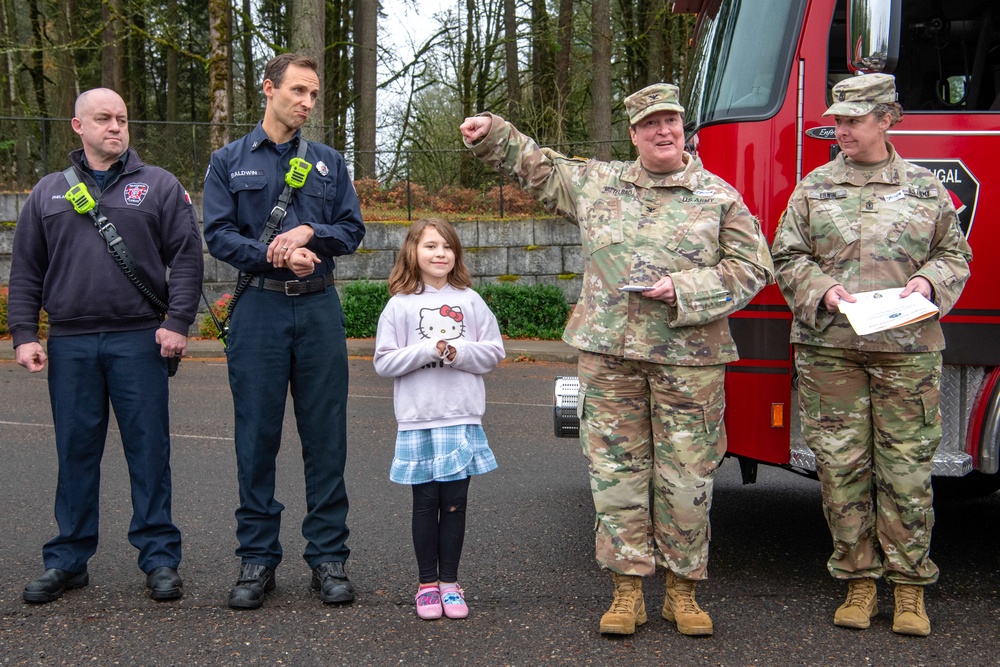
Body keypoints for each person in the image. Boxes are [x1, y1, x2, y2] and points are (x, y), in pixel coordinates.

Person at [460, 83, 773, 636]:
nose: (663, 131)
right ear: (633, 135)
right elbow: (540, 166)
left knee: (687, 478)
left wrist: (683, 287)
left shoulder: (717, 195)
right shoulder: (599, 184)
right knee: (614, 475)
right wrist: (494, 134)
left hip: (688, 360)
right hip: (610, 357)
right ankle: (626, 590)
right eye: (650, 124)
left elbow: (753, 269)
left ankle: (683, 591)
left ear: (683, 129)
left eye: (671, 121)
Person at [770, 73, 972, 637]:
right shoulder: (814, 187)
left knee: (906, 472)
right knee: (841, 469)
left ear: (887, 120)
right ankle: (858, 581)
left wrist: (929, 284)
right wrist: (823, 290)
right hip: (831, 350)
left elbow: (955, 256)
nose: (842, 131)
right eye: (836, 121)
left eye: (854, 121)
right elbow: (786, 257)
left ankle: (909, 589)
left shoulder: (925, 189)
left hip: (906, 352)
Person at [9, 88, 204, 603]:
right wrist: (25, 334)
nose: (116, 126)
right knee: (75, 452)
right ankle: (68, 559)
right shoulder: (48, 192)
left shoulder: (159, 186)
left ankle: (160, 558)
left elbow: (186, 257)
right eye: (103, 118)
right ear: (78, 127)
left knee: (149, 451)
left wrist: (179, 321)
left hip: (140, 338)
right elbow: (27, 269)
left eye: (122, 118)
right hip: (70, 342)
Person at [202, 53, 366, 610]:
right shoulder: (228, 161)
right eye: (298, 91)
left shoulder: (328, 162)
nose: (307, 102)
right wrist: (277, 256)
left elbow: (350, 230)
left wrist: (309, 233)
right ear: (267, 89)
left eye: (314, 94)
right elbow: (218, 235)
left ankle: (328, 559)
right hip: (260, 312)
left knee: (326, 439)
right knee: (256, 437)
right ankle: (257, 558)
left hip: (318, 310)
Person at [373, 218, 505, 620]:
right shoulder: (399, 305)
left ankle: (450, 583)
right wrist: (430, 349)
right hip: (418, 418)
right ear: (412, 251)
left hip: (461, 417)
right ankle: (427, 584)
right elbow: (384, 362)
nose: (440, 253)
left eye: (447, 246)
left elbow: (493, 352)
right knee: (425, 502)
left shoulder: (471, 299)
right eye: (431, 246)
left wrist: (457, 352)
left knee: (455, 504)